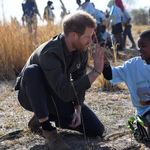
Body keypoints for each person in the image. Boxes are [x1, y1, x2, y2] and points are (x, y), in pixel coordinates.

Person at [14, 10, 105, 150]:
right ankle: (48, 130)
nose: (90, 41)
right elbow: (65, 92)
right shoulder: (49, 52)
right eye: (88, 36)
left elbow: (78, 81)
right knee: (32, 71)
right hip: (30, 95)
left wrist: (77, 109)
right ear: (74, 35)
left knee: (96, 129)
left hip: (56, 92)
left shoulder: (81, 48)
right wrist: (96, 72)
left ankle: (43, 116)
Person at [103, 29, 150, 136]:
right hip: (145, 110)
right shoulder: (132, 65)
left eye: (143, 46)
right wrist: (105, 65)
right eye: (139, 46)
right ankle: (139, 126)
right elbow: (110, 75)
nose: (140, 49)